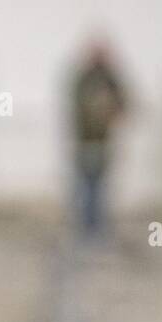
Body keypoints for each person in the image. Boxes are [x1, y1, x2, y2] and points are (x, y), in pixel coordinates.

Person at [70, 41, 127, 239]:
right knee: (86, 189)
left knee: (100, 189)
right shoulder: (84, 79)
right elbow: (78, 109)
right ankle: (87, 230)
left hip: (103, 143)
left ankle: (97, 230)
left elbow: (124, 104)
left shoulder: (110, 78)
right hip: (86, 143)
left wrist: (111, 112)